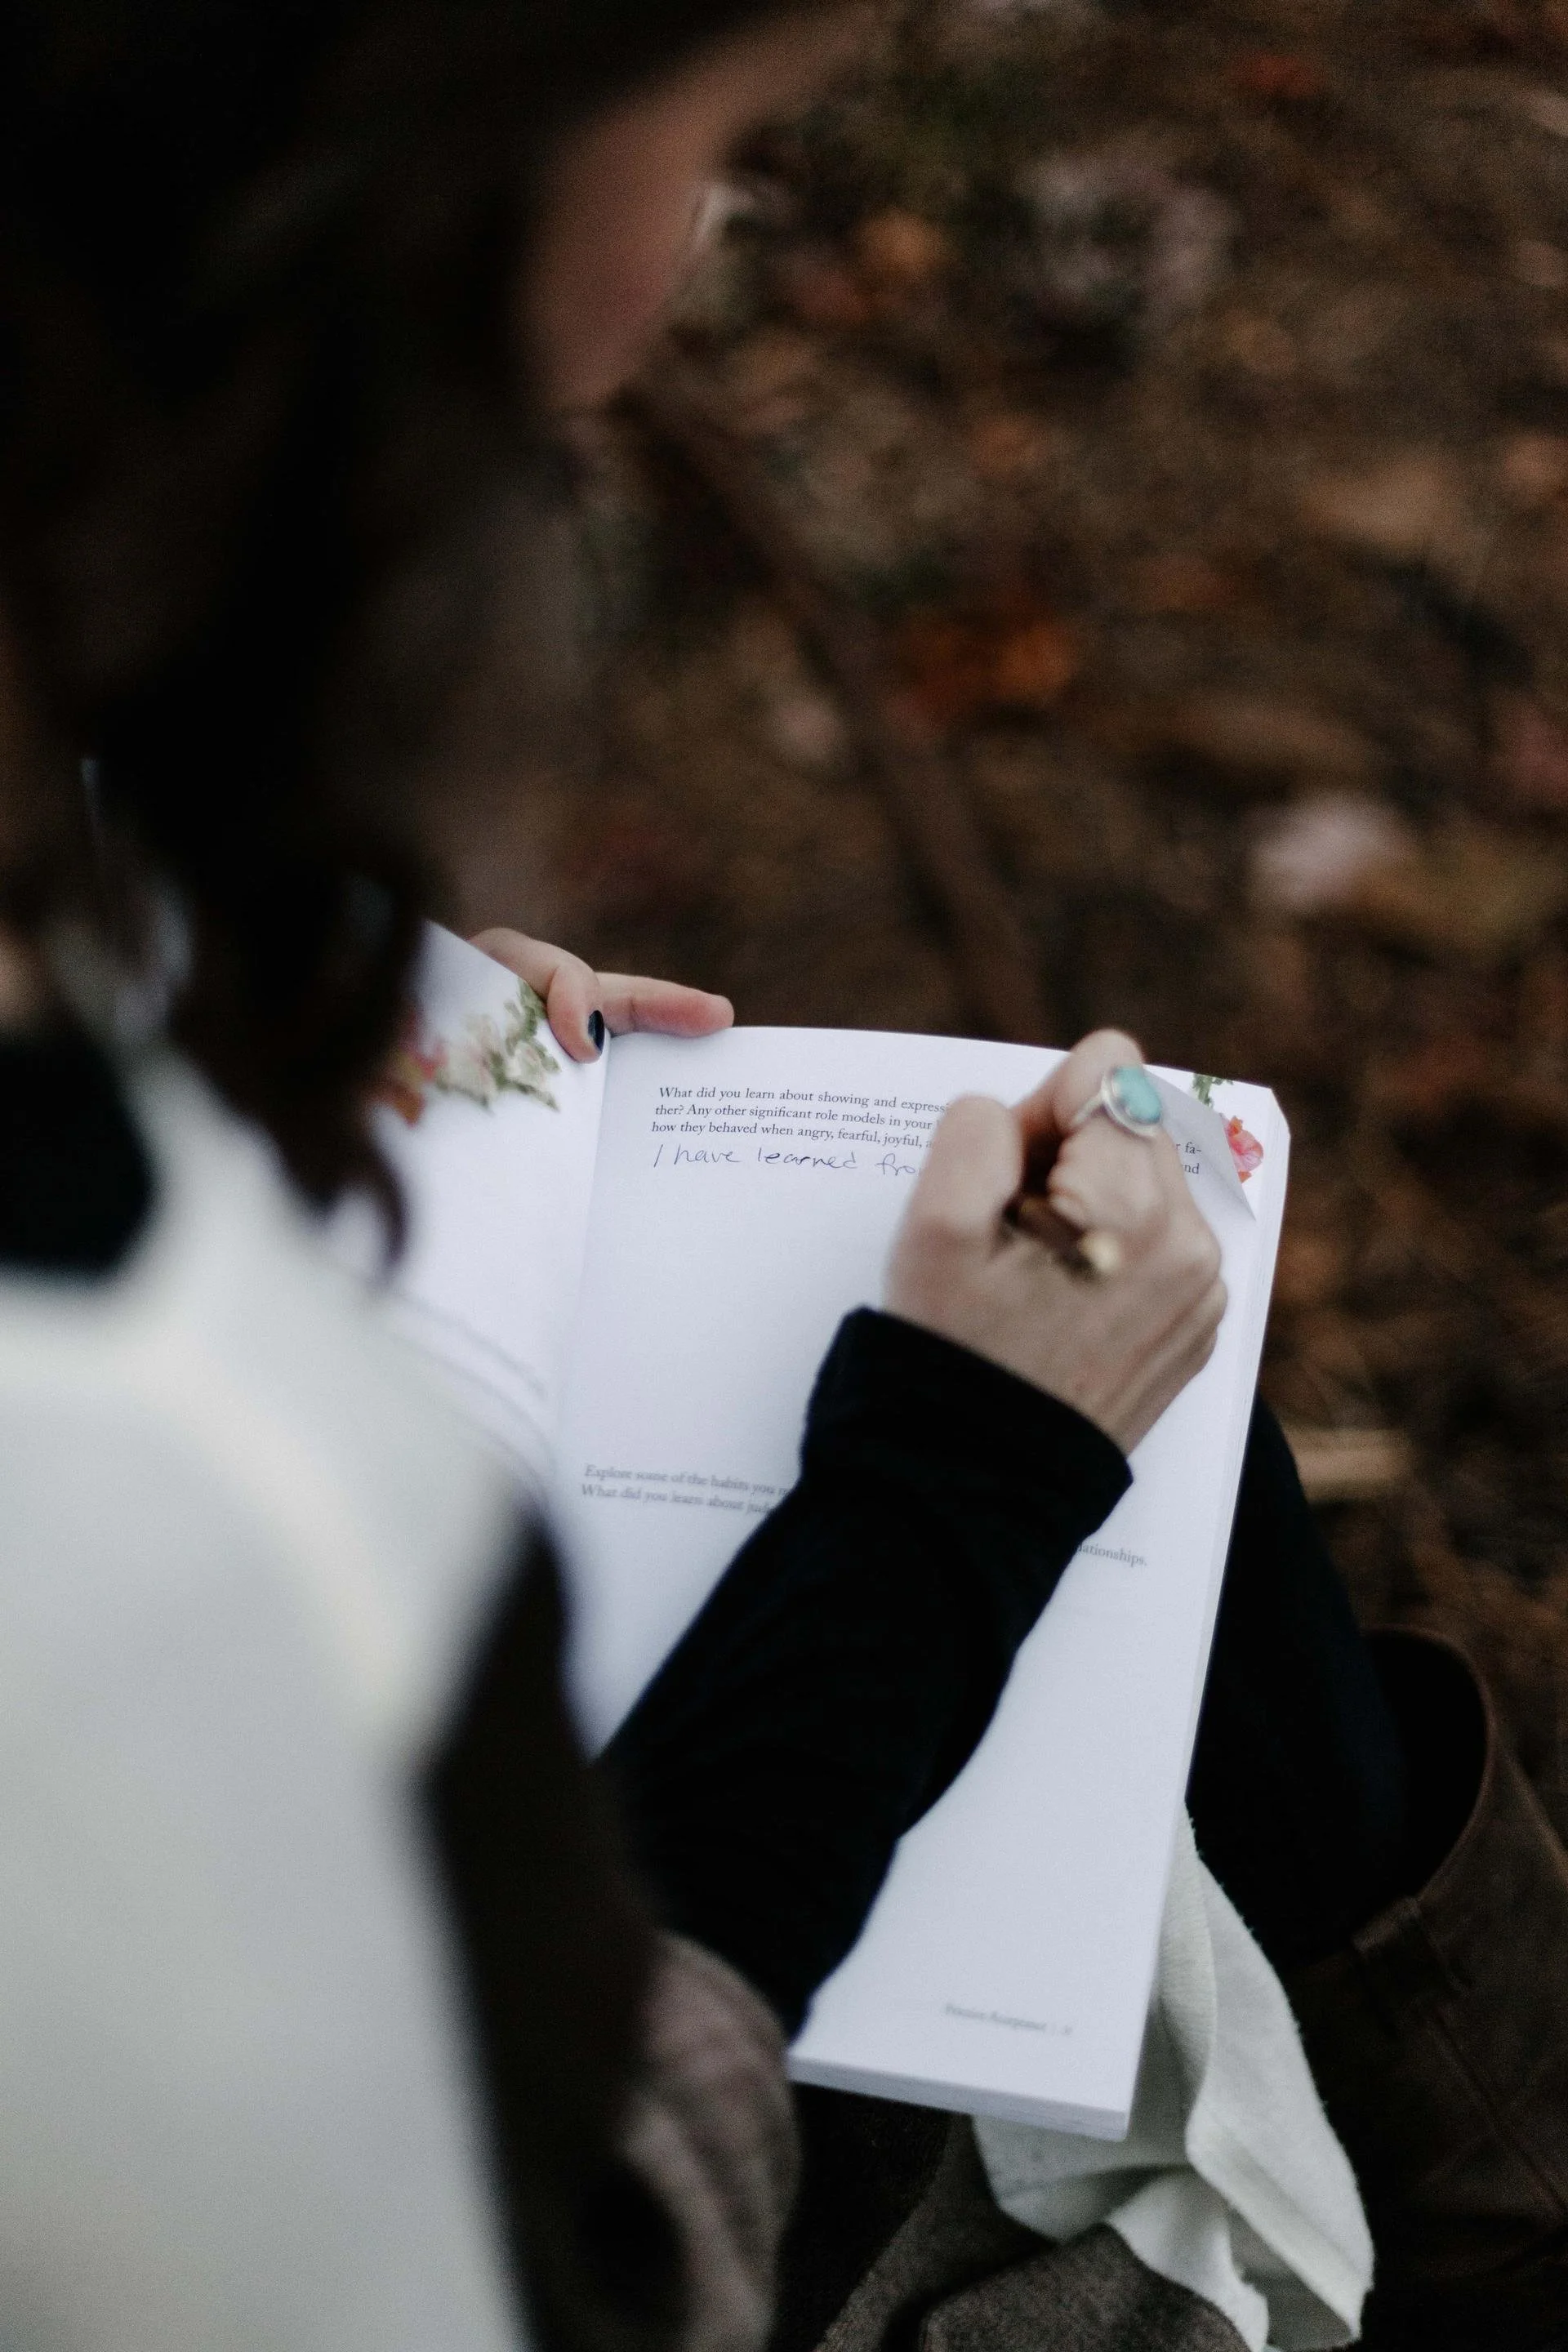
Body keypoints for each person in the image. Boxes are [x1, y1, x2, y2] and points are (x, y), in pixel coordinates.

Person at [0, 5, 1566, 2350]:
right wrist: (939, 1504)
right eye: (727, 127)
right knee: (1127, 1422)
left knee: (1135, 1390)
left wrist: (292, 1006)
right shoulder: (131, 1507)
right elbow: (536, 2255)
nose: (705, 240)